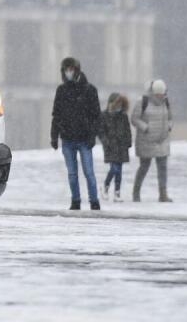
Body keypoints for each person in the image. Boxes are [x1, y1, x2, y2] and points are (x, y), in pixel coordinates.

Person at [50, 57, 102, 210]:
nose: (68, 73)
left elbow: (96, 115)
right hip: (68, 139)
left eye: (71, 69)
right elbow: (56, 115)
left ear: (77, 70)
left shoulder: (90, 90)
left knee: (89, 172)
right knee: (72, 174)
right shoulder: (62, 90)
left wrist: (93, 135)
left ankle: (94, 201)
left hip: (85, 139)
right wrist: (54, 136)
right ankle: (76, 200)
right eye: (66, 70)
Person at [132, 79, 174, 203]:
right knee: (144, 167)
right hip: (146, 141)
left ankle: (163, 194)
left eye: (162, 94)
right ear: (153, 93)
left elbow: (170, 117)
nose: (161, 96)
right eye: (158, 94)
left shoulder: (166, 101)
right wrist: (145, 127)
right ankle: (136, 193)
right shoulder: (143, 101)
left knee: (162, 168)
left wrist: (169, 126)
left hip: (162, 140)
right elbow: (134, 119)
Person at [99, 92, 132, 203]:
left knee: (119, 171)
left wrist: (128, 143)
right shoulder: (104, 115)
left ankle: (117, 192)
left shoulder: (123, 116)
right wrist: (106, 142)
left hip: (122, 146)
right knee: (114, 169)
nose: (119, 106)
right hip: (111, 146)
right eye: (117, 103)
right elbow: (101, 131)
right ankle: (106, 186)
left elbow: (127, 130)